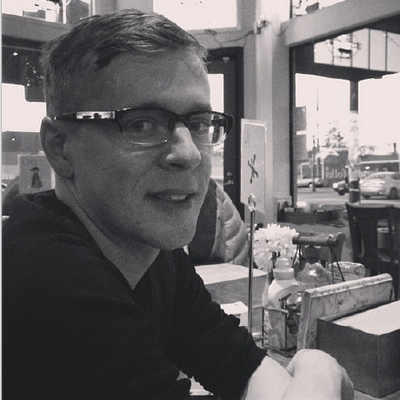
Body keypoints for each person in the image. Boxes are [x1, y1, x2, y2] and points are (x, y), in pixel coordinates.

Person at [2, 9, 354, 400]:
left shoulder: (150, 252)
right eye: (141, 123)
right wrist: (317, 366)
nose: (189, 154)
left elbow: (240, 367)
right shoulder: (45, 281)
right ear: (59, 147)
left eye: (199, 123)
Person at [188, 178, 249, 266]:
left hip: (226, 266)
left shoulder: (208, 192)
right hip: (223, 260)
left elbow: (202, 248)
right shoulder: (209, 189)